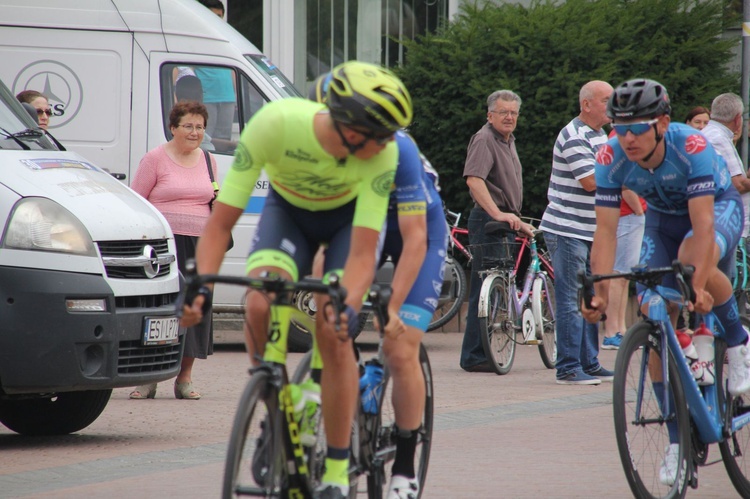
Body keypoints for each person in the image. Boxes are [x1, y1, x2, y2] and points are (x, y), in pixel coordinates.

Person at [181, 61, 411, 499]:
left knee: (332, 326)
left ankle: (338, 468)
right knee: (258, 301)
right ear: (347, 125)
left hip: (346, 226)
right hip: (289, 216)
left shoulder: (383, 155)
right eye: (379, 135)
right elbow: (218, 226)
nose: (387, 145)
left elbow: (363, 252)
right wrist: (201, 291)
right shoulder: (276, 124)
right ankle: (270, 396)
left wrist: (347, 304)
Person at [582, 79, 750, 486]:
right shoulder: (609, 156)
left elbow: (703, 226)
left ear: (662, 122)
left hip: (713, 211)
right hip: (661, 221)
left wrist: (694, 287)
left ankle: (738, 340)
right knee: (653, 307)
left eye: (637, 127)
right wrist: (599, 291)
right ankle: (678, 441)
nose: (627, 138)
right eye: (619, 127)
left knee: (696, 268)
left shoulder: (689, 145)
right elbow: (604, 233)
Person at [308, 73, 446, 497]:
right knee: (329, 321)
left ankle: (404, 466)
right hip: (359, 225)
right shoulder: (314, 143)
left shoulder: (397, 148)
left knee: (401, 348)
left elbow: (416, 239)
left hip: (414, 227)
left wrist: (393, 310)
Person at [129, 101, 217, 401]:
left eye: (200, 127)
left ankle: (185, 378)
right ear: (173, 128)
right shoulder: (154, 159)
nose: (195, 133)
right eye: (189, 126)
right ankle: (148, 379)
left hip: (200, 244)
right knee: (159, 308)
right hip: (162, 245)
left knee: (195, 308)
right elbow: (136, 202)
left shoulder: (207, 160)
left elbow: (213, 198)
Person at [539, 80, 615, 385]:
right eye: (606, 100)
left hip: (590, 230)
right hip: (567, 228)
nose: (612, 106)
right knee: (571, 300)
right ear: (587, 104)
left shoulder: (601, 134)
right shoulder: (573, 135)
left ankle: (589, 362)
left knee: (590, 297)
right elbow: (590, 181)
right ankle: (568, 368)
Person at [459, 89, 534, 373]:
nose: (510, 117)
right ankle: (474, 356)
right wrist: (498, 214)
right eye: (503, 112)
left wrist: (513, 219)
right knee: (484, 290)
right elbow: (474, 181)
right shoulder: (484, 139)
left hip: (503, 221)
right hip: (488, 221)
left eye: (514, 112)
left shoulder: (507, 140)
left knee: (493, 291)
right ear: (490, 115)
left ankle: (482, 354)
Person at [701, 93, 748, 262]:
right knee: (729, 277)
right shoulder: (719, 138)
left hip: (718, 218)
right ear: (737, 119)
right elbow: (739, 185)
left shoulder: (709, 133)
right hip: (728, 220)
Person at [601, 188, 646, 350]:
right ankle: (612, 332)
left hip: (629, 215)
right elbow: (625, 186)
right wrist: (638, 210)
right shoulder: (624, 161)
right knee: (618, 276)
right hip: (627, 215)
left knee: (624, 277)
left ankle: (620, 330)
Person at [195, 0, 236, 141]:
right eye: (212, 15)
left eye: (219, 16)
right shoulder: (196, 38)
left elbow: (233, 68)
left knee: (224, 141)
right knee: (205, 139)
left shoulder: (228, 38)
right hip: (207, 98)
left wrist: (235, 95)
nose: (216, 20)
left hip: (228, 97)